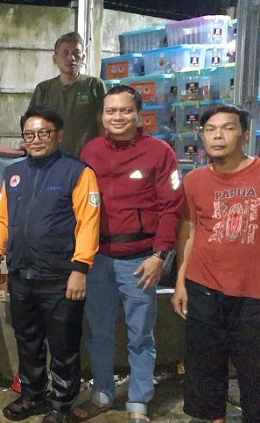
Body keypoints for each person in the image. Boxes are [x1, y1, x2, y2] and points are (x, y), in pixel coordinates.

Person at [74, 85, 183, 423]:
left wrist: (159, 256)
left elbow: (172, 207)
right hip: (99, 258)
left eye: (124, 111)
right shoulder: (90, 151)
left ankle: (138, 400)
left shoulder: (159, 152)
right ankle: (103, 392)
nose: (117, 117)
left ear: (139, 114)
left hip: (140, 260)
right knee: (99, 331)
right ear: (102, 116)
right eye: (111, 111)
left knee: (141, 334)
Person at [0, 106, 100, 423]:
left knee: (63, 345)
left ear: (58, 135)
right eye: (29, 134)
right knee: (28, 340)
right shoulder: (14, 173)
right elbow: (2, 219)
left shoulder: (78, 173)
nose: (36, 139)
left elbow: (88, 224)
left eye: (44, 133)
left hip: (61, 277)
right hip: (22, 274)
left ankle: (61, 405)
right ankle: (33, 396)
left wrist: (80, 269)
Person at [172, 104, 260, 423]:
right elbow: (190, 231)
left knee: (255, 373)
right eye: (210, 129)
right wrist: (181, 282)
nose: (218, 135)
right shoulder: (194, 181)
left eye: (228, 128)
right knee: (204, 369)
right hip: (204, 289)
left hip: (253, 295)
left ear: (244, 134)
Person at [29, 32, 106, 157]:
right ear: (55, 59)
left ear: (84, 57)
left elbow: (102, 125)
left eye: (77, 53)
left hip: (85, 159)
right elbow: (32, 126)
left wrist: (101, 154)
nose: (71, 58)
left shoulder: (94, 85)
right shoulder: (43, 89)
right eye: (65, 53)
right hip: (51, 160)